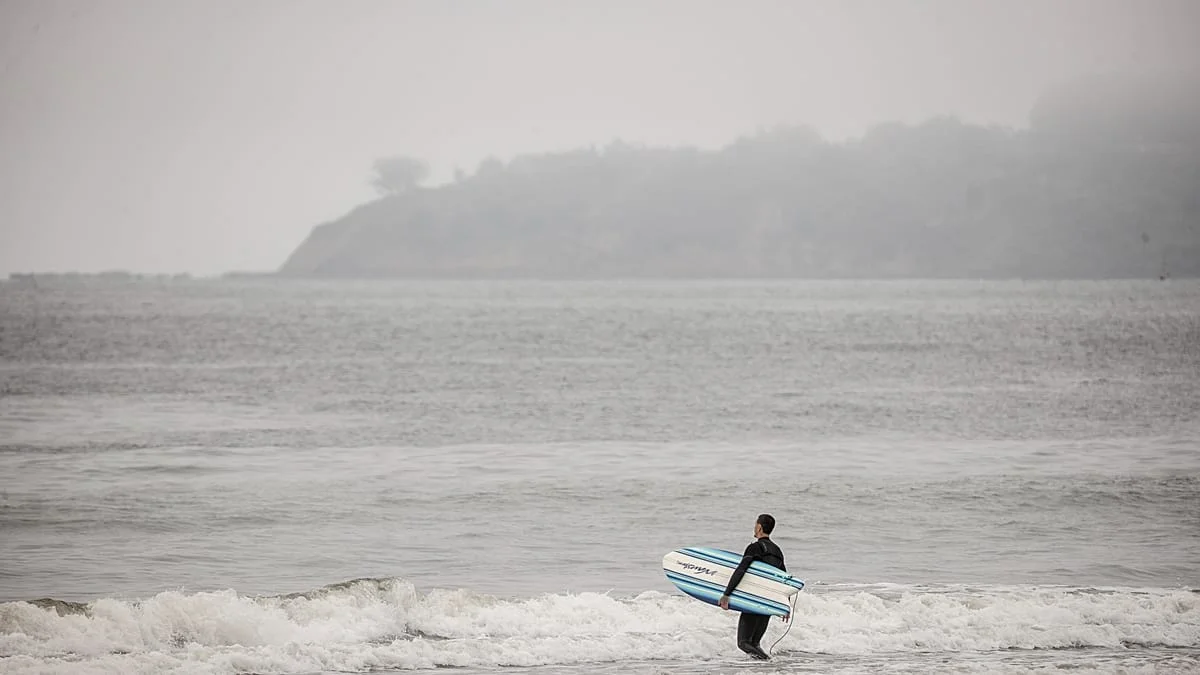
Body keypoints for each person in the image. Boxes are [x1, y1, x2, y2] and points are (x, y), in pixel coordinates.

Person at [717, 513, 787, 659]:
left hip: (755, 599)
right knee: (754, 643)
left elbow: (741, 570)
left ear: (759, 527)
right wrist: (784, 605)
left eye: (755, 524)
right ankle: (763, 669)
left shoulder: (755, 547)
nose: (754, 527)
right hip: (769, 601)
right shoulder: (777, 551)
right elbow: (784, 580)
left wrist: (727, 594)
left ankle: (768, 662)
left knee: (743, 643)